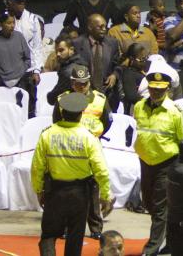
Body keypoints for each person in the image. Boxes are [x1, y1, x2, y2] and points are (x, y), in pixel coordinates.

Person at [32, 92, 112, 256]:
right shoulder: (89, 138)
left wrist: (39, 190)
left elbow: (37, 167)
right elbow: (101, 170)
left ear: (61, 112)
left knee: (48, 235)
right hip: (80, 194)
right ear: (81, 113)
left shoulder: (47, 134)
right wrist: (105, 195)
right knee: (75, 238)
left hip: (55, 191)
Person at [134, 72, 183, 256]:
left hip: (167, 163)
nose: (156, 92)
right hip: (145, 162)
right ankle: (170, 240)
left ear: (167, 89)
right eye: (153, 88)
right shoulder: (139, 106)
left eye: (160, 89)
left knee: (160, 206)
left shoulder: (175, 112)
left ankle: (151, 248)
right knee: (148, 202)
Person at [0, 11, 38, 117]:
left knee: (25, 110)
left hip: (21, 80)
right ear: (1, 24)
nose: (12, 25)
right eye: (9, 23)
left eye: (13, 22)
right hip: (0, 80)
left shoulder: (19, 36)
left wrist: (20, 72)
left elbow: (28, 59)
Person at [72, 13, 121, 109]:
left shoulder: (113, 43)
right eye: (100, 27)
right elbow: (73, 67)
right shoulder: (77, 44)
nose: (104, 29)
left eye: (105, 26)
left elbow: (118, 65)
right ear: (90, 27)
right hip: (84, 91)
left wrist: (114, 75)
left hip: (107, 92)